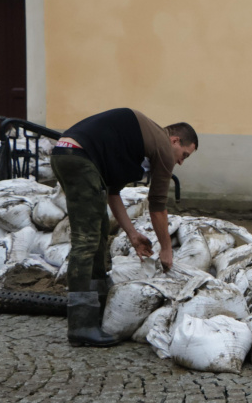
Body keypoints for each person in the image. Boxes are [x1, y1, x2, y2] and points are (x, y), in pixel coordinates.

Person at [50, 108, 197, 347]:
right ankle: (81, 325)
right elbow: (158, 205)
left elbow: (113, 192)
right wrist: (166, 249)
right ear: (175, 140)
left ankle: (96, 306)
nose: (180, 161)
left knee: (97, 235)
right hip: (79, 156)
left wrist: (132, 235)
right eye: (185, 155)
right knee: (86, 241)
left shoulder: (137, 146)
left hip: (66, 153)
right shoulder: (161, 146)